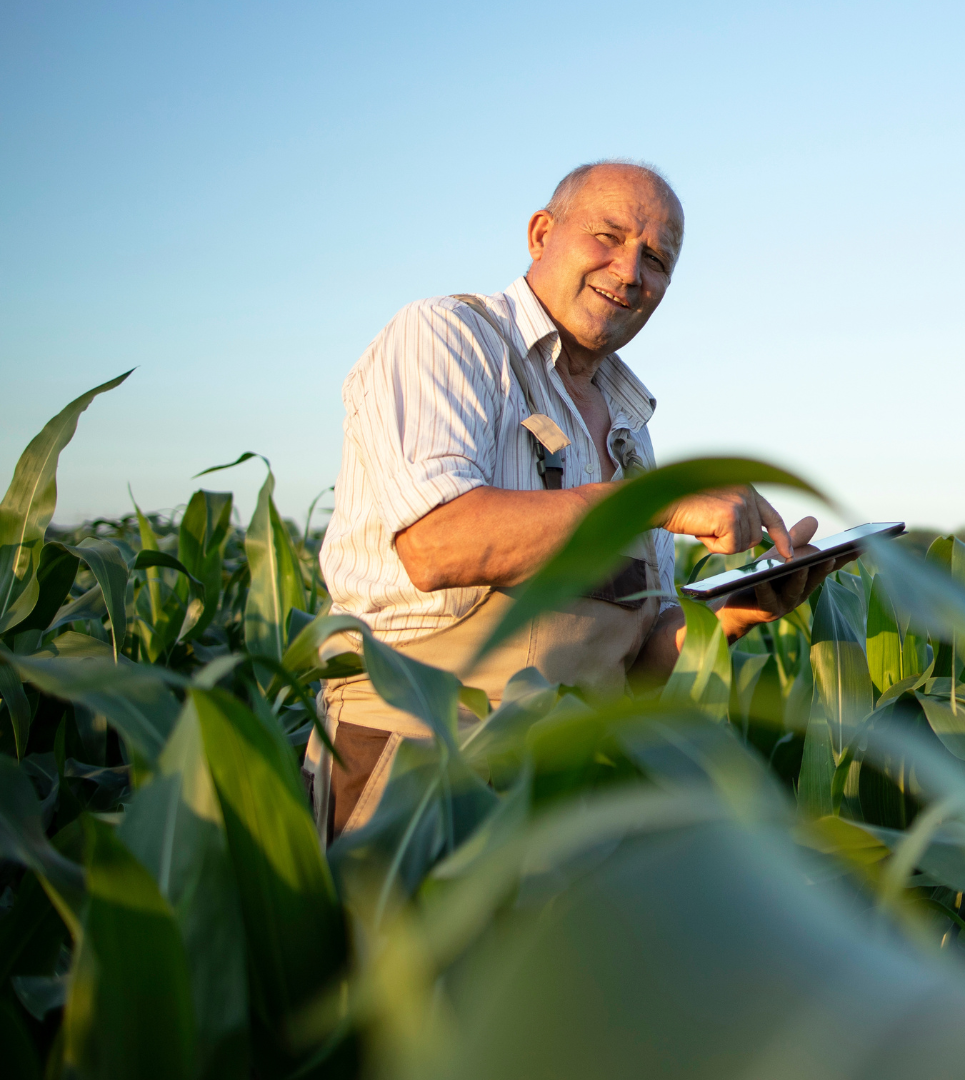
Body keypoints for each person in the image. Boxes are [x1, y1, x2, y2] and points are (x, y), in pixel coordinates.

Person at [310, 159, 850, 839]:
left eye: (655, 259)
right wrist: (656, 502)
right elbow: (436, 541)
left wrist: (731, 615)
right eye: (609, 236)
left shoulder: (629, 430)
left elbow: (635, 668)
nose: (630, 271)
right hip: (425, 767)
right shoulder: (449, 338)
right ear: (541, 234)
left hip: (573, 780)